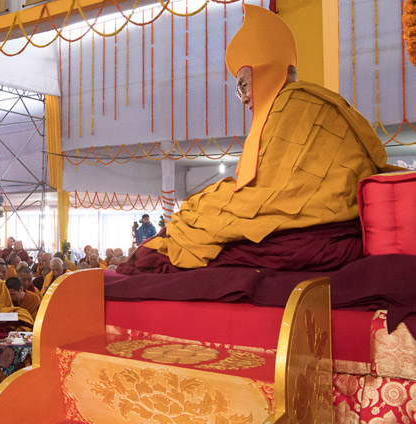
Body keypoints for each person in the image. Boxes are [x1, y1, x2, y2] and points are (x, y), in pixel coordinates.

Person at [124, 6, 398, 273]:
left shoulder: (295, 104)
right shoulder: (301, 102)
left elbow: (274, 195)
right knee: (193, 212)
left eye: (243, 84)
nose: (243, 97)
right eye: (239, 89)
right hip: (327, 219)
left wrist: (211, 204)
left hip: (314, 221)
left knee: (182, 227)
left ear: (265, 72)